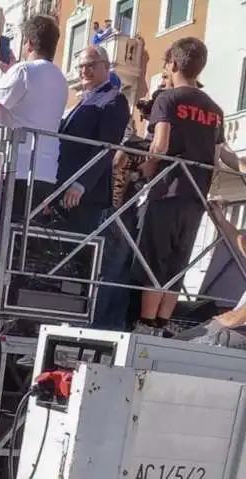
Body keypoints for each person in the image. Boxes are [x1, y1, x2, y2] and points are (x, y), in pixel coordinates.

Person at [135, 37, 225, 332]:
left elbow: (159, 146)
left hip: (167, 190)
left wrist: (144, 166)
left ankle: (146, 323)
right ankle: (162, 322)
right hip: (196, 195)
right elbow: (217, 155)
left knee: (154, 260)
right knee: (179, 262)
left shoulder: (168, 99)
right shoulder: (215, 109)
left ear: (173, 63)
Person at [0, 14, 68, 220]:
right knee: (24, 234)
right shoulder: (60, 79)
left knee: (2, 234)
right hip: (45, 171)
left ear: (29, 42)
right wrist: (10, 72)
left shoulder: (23, 71)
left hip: (15, 168)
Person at [57, 46, 130, 234]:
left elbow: (107, 147)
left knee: (80, 253)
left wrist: (81, 184)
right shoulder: (84, 101)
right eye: (80, 66)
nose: (84, 70)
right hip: (64, 188)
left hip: (85, 193)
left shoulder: (114, 99)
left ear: (106, 67)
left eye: (90, 65)